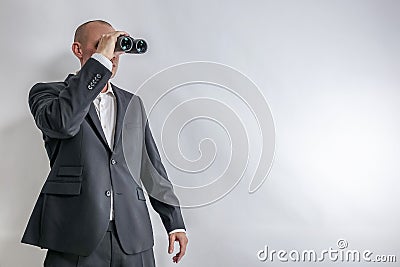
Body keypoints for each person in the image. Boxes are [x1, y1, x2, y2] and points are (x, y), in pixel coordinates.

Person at [21, 20, 188, 267]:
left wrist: (175, 222)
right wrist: (99, 63)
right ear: (78, 50)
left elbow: (150, 167)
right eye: (101, 45)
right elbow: (64, 123)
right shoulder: (49, 94)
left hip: (133, 235)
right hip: (74, 236)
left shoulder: (133, 103)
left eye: (114, 46)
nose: (112, 54)